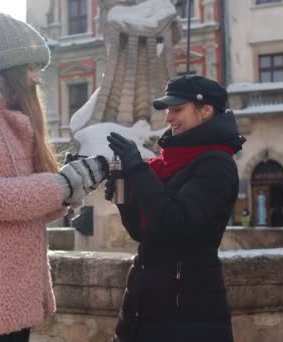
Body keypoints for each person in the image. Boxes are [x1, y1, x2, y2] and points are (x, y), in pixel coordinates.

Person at [0, 13, 108, 341]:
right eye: (32, 68)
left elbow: (22, 198)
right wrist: (61, 185)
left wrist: (70, 189)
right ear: (11, 68)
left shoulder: (7, 115)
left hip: (14, 286)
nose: (37, 79)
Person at [104, 75, 245, 342]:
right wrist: (124, 196)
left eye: (177, 109)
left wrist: (138, 169)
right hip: (146, 303)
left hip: (187, 310)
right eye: (168, 110)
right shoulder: (168, 162)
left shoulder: (216, 164)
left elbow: (175, 222)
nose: (168, 118)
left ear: (206, 110)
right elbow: (141, 232)